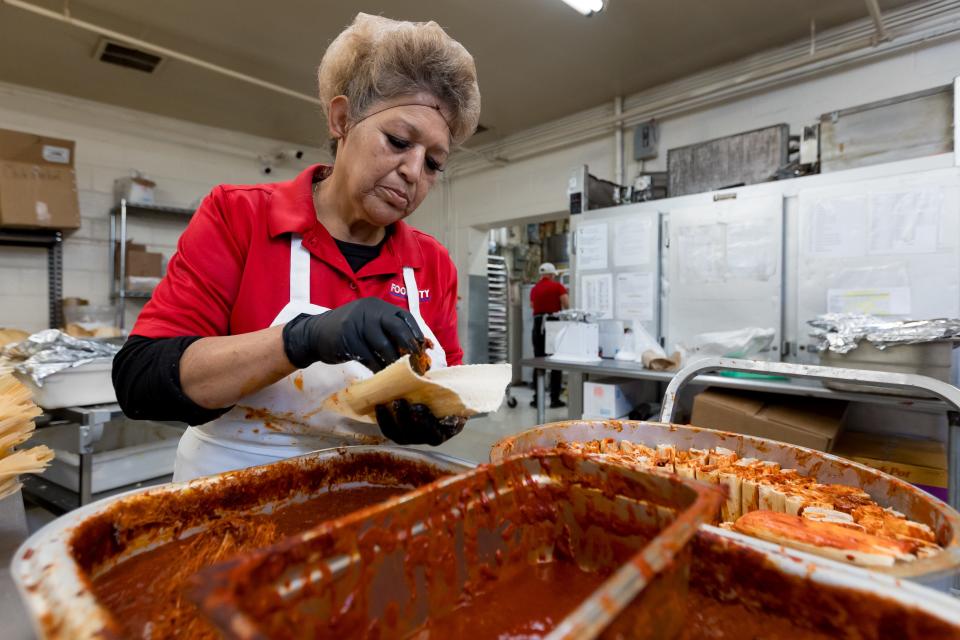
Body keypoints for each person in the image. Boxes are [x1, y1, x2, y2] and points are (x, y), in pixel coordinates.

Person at [112, 13, 481, 481]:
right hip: (232, 495)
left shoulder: (431, 263)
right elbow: (140, 381)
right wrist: (301, 338)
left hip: (369, 500)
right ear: (343, 119)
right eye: (398, 141)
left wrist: (436, 421)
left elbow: (451, 394)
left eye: (433, 163)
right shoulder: (239, 217)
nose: (413, 171)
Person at [530, 262, 569, 408]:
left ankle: (537, 399)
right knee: (554, 362)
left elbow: (532, 306)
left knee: (538, 361)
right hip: (553, 325)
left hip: (537, 324)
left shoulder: (534, 289)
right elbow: (565, 303)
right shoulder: (557, 286)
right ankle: (554, 399)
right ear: (552, 275)